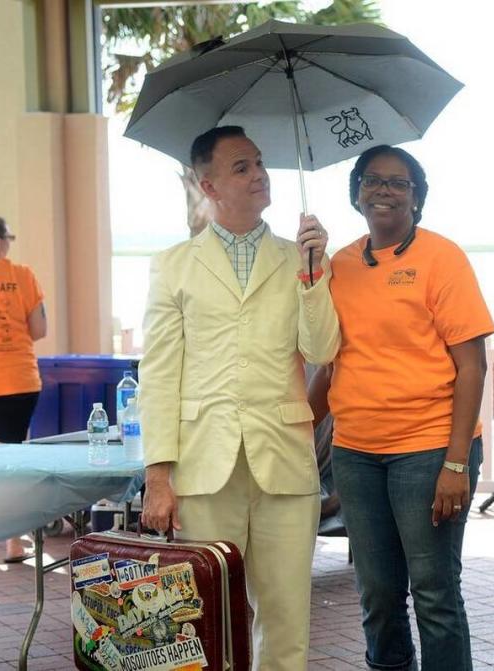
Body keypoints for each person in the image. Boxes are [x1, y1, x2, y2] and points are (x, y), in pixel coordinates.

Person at [138, 126, 339, 670]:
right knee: (202, 620)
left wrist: (314, 274)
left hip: (284, 461)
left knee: (286, 619)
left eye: (259, 163)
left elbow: (321, 348)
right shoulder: (173, 265)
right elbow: (158, 373)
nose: (259, 174)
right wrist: (158, 477)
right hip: (203, 464)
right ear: (209, 185)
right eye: (241, 167)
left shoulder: (300, 257)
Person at [308, 145, 494, 671]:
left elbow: (473, 367)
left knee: (434, 591)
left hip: (430, 449)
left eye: (398, 182)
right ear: (357, 192)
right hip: (357, 453)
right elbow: (329, 364)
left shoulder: (442, 257)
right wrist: (298, 427)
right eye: (372, 180)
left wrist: (456, 463)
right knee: (378, 593)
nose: (384, 190)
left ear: (417, 198)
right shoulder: (339, 265)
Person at [0, 214, 47, 563]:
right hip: (15, 379)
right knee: (10, 462)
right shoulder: (22, 276)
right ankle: (13, 543)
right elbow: (38, 330)